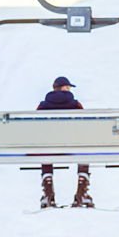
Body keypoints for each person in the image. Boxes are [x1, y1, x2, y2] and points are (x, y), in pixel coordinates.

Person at [37, 76, 93, 208]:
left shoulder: (43, 105)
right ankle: (81, 194)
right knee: (85, 150)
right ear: (62, 88)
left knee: (45, 150)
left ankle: (48, 194)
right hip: (73, 145)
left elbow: (36, 127)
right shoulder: (75, 104)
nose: (68, 90)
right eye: (67, 87)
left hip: (49, 146)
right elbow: (85, 125)